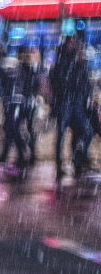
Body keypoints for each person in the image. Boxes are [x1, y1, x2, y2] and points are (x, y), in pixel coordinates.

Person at [51, 34, 93, 178]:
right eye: (71, 42)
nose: (73, 45)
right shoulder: (63, 62)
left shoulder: (78, 62)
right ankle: (60, 165)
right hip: (65, 103)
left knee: (84, 131)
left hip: (75, 104)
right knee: (62, 135)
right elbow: (58, 83)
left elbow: (84, 83)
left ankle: (77, 159)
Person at [0, 51, 33, 169]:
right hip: (12, 105)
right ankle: (14, 156)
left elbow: (21, 91)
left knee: (13, 130)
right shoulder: (12, 76)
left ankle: (20, 155)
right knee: (9, 131)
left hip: (16, 105)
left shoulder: (20, 75)